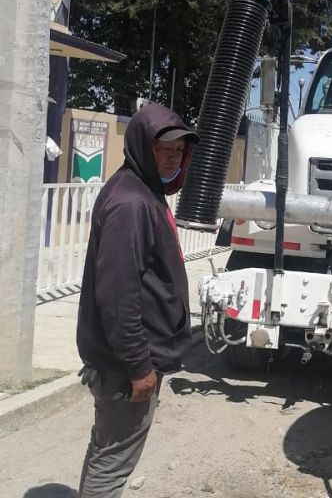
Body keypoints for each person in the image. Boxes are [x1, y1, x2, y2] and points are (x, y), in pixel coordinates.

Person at [76, 104, 199, 497]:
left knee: (107, 453)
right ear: (143, 147)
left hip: (128, 360)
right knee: (111, 466)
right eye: (164, 149)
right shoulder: (131, 203)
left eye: (179, 150)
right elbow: (117, 294)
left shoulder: (142, 190)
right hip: (124, 366)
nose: (173, 157)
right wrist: (138, 365)